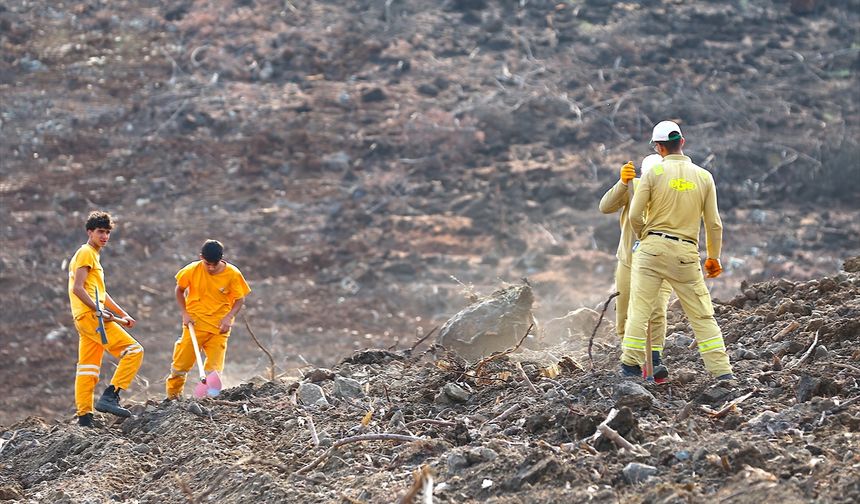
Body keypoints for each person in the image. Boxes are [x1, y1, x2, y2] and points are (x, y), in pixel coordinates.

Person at [621, 120, 734, 380]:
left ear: (658, 148)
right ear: (682, 142)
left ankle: (630, 366)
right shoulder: (704, 177)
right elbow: (714, 223)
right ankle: (722, 372)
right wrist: (713, 257)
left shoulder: (653, 174)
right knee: (702, 314)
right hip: (686, 254)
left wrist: (645, 237)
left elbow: (636, 215)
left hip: (651, 251)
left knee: (640, 309)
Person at [599, 154, 673, 381]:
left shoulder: (672, 194)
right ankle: (633, 360)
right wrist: (622, 183)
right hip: (629, 262)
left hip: (661, 262)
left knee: (657, 310)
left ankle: (654, 360)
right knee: (626, 313)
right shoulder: (634, 188)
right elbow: (605, 206)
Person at [68, 211, 144, 427]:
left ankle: (84, 417)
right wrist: (98, 311)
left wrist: (122, 314)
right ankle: (111, 396)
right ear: (89, 232)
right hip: (92, 317)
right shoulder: (86, 253)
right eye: (100, 231)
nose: (105, 236)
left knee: (88, 368)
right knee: (134, 351)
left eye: (108, 232)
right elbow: (78, 288)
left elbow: (101, 293)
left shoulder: (92, 255)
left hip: (85, 318)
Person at [166, 240, 251, 399]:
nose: (211, 268)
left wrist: (228, 317)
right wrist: (185, 313)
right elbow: (179, 290)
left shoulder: (232, 274)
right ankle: (172, 398)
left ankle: (207, 400)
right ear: (201, 257)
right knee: (180, 366)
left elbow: (239, 300)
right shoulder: (191, 270)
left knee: (214, 371)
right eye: (207, 264)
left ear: (222, 259)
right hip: (194, 325)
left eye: (214, 264)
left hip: (219, 328)